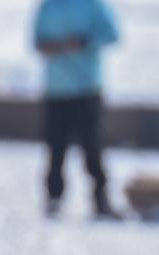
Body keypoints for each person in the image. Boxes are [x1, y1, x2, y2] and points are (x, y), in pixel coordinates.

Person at [31, 0, 121, 218]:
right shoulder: (48, 6)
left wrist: (83, 42)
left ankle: (100, 199)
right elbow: (36, 42)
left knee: (92, 146)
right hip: (57, 89)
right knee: (55, 148)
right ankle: (54, 198)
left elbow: (112, 34)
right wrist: (50, 47)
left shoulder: (93, 4)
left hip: (86, 87)